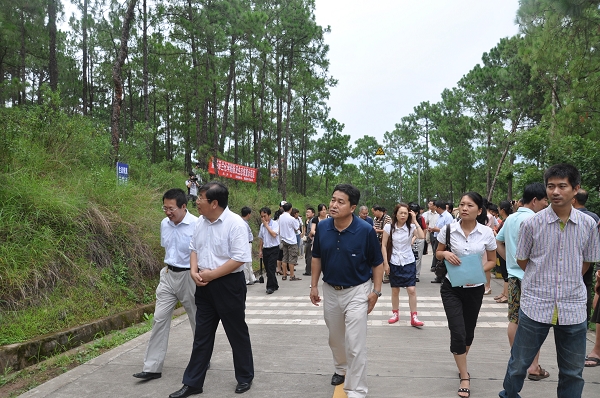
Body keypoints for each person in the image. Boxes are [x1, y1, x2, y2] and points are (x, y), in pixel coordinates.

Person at [499, 164, 600, 398]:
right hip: (535, 304)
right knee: (518, 365)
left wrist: (568, 276)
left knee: (573, 372)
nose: (555, 191)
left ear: (575, 189)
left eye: (562, 186)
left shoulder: (589, 225)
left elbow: (586, 263)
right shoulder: (532, 223)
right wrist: (541, 277)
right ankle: (509, 395)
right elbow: (523, 260)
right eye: (551, 186)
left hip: (573, 306)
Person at [170, 182, 254, 397]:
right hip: (204, 285)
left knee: (236, 333)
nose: (196, 202)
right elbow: (194, 249)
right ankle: (193, 383)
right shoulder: (200, 223)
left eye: (201, 199)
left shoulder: (235, 224)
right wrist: (194, 271)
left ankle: (245, 377)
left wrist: (212, 275)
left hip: (229, 285)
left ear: (214, 203)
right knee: (202, 336)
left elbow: (239, 259)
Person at [310, 184, 383, 398]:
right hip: (330, 290)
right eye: (333, 200)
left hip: (358, 291)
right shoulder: (323, 227)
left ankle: (357, 390)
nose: (333, 205)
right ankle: (341, 368)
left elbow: (377, 263)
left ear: (352, 207)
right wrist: (314, 285)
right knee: (335, 338)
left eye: (340, 202)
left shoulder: (365, 230)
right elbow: (317, 258)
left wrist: (376, 292)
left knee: (355, 342)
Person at [133, 188, 198, 381]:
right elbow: (167, 248)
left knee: (197, 320)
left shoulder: (197, 225)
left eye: (171, 209)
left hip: (189, 277)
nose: (167, 212)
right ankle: (152, 367)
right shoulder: (165, 223)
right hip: (168, 274)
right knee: (159, 318)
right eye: (165, 208)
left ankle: (202, 356)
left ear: (183, 206)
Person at [436, 191, 497, 398]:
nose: (464, 208)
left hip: (475, 289)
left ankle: (460, 357)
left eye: (470, 205)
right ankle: (464, 375)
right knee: (458, 331)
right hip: (451, 288)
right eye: (462, 204)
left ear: (479, 210)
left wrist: (477, 272)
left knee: (468, 333)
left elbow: (492, 261)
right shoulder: (448, 230)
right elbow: (438, 252)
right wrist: (445, 254)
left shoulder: (487, 233)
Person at [496, 183, 550, 383]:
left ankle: (517, 360)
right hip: (532, 278)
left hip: (513, 277)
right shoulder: (536, 219)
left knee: (514, 319)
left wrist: (510, 261)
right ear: (535, 200)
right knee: (534, 322)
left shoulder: (510, 218)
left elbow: (498, 242)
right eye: (545, 200)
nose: (547, 204)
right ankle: (533, 366)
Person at [381, 203, 425, 327]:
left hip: (408, 261)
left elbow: (421, 236)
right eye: (401, 213)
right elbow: (383, 245)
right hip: (394, 261)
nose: (404, 215)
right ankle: (395, 313)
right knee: (395, 290)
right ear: (396, 214)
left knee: (411, 289)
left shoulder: (411, 227)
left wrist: (415, 221)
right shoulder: (389, 227)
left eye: (406, 213)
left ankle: (414, 316)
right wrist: (385, 263)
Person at [572, 189, 600, 326]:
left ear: (574, 199)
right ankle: (585, 318)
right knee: (587, 285)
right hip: (589, 258)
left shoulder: (572, 216)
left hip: (573, 259)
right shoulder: (595, 217)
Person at [493, 200, 513, 304]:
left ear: (503, 210)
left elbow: (503, 237)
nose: (498, 211)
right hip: (502, 248)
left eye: (499, 209)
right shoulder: (505, 220)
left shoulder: (507, 221)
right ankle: (504, 293)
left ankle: (506, 295)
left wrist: (495, 233)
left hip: (504, 248)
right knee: (504, 271)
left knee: (506, 273)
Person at [429, 200, 454, 283]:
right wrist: (433, 229)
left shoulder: (448, 216)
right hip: (437, 238)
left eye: (435, 207)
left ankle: (444, 276)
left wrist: (437, 229)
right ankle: (439, 276)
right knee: (437, 258)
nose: (434, 209)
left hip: (444, 240)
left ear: (439, 207)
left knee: (443, 259)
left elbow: (449, 230)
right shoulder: (440, 216)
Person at [258, 207, 280, 295]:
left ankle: (270, 287)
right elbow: (261, 238)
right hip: (266, 249)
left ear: (269, 215)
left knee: (271, 267)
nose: (263, 218)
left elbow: (274, 234)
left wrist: (267, 225)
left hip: (274, 248)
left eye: (265, 216)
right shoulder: (261, 226)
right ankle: (275, 284)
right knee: (268, 268)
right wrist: (260, 250)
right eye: (262, 216)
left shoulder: (275, 224)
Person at [278, 202, 301, 281]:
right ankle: (292, 275)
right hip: (291, 240)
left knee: (285, 257)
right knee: (292, 258)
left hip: (283, 239)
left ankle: (284, 275)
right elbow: (297, 227)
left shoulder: (281, 217)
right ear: (291, 209)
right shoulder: (291, 219)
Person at [241, 207, 257, 286]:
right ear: (248, 214)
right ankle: (246, 279)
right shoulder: (243, 223)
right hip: (246, 244)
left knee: (249, 262)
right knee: (246, 262)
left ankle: (252, 278)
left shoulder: (244, 222)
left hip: (248, 243)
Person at [303, 207, 315, 276]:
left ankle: (308, 271)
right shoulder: (309, 220)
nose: (307, 213)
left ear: (313, 214)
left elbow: (311, 230)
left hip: (310, 240)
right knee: (308, 255)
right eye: (306, 212)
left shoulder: (312, 221)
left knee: (309, 255)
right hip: (309, 239)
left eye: (309, 212)